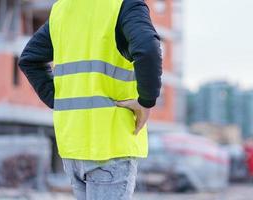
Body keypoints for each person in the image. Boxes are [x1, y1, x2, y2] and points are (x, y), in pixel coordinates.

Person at [19, 0, 162, 199]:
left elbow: (29, 59)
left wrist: (61, 100)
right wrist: (146, 101)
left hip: (74, 146)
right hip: (110, 145)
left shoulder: (63, 8)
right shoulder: (123, 4)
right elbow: (147, 48)